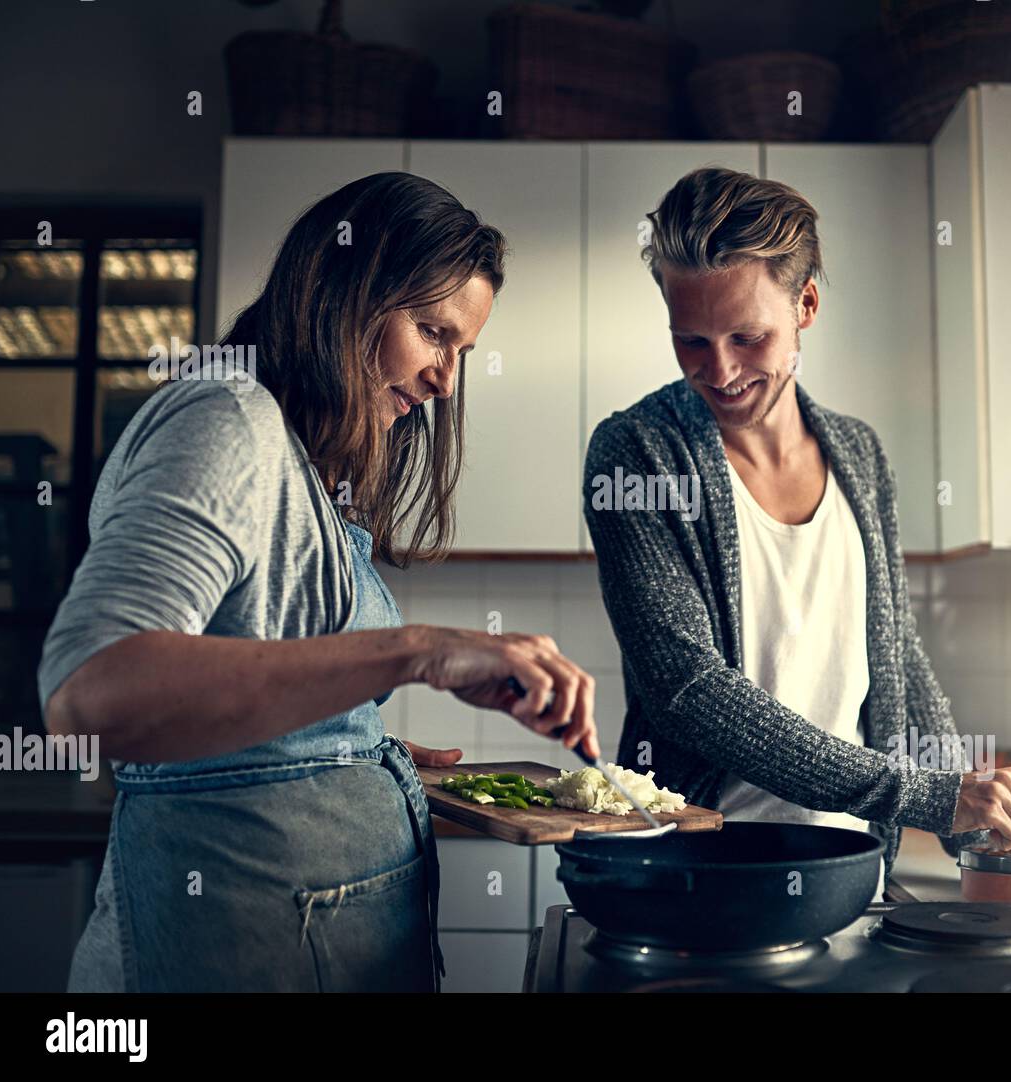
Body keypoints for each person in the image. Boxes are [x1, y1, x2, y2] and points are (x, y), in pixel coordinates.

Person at [39, 172, 599, 992]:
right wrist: (416, 650)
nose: (447, 378)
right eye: (432, 331)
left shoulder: (305, 471)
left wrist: (350, 754)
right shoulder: (227, 422)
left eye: (463, 351)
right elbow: (90, 694)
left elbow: (236, 716)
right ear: (345, 291)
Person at [582, 167, 1011, 886]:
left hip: (854, 870)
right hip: (697, 872)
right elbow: (685, 690)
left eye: (748, 336)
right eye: (692, 342)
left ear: (805, 305)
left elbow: (897, 655)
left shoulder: (859, 454)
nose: (721, 370)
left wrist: (972, 821)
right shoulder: (638, 452)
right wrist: (928, 795)